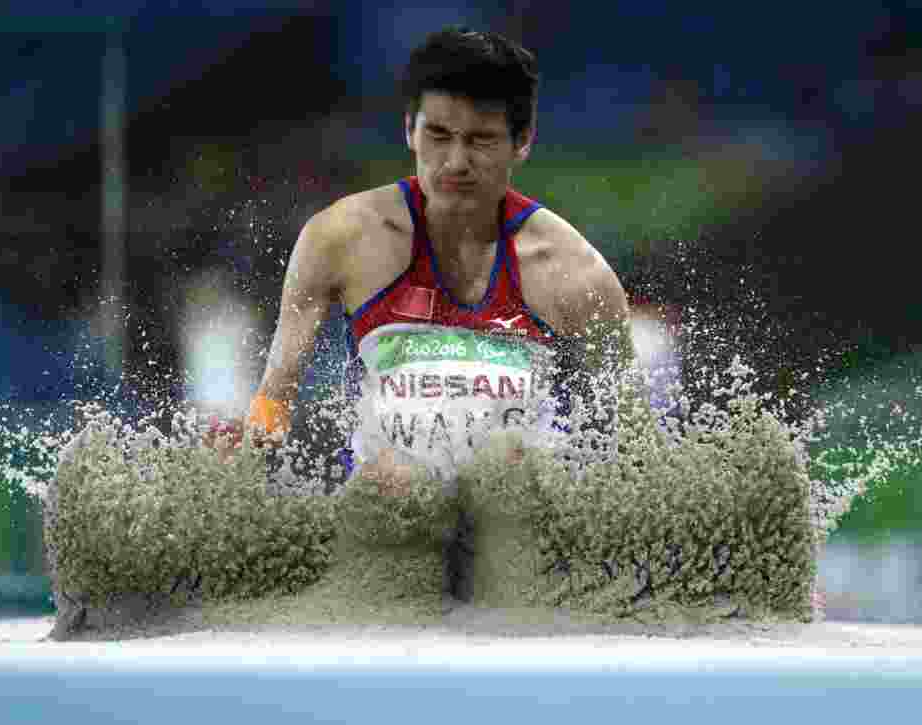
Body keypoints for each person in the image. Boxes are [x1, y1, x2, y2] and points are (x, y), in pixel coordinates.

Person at [208, 26, 635, 494]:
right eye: (438, 135)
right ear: (409, 129)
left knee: (508, 477)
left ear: (523, 140)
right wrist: (238, 481)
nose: (455, 162)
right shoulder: (340, 239)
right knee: (396, 483)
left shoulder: (574, 272)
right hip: (391, 510)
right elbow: (275, 398)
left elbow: (627, 444)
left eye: (481, 140)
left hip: (516, 513)